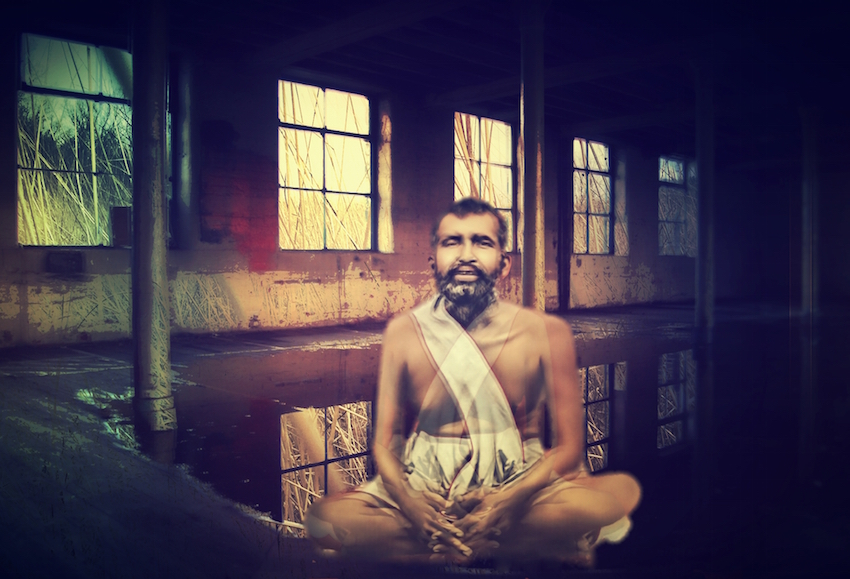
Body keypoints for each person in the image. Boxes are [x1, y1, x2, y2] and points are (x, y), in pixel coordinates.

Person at [305, 198, 640, 565]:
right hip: (425, 484)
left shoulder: (548, 332)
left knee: (616, 495)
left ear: (504, 263)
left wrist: (513, 499)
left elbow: (569, 448)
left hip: (516, 478)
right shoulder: (403, 332)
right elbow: (384, 445)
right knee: (326, 519)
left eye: (481, 242)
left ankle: (442, 549)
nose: (466, 255)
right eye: (452, 242)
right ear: (434, 261)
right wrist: (410, 503)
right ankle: (494, 544)